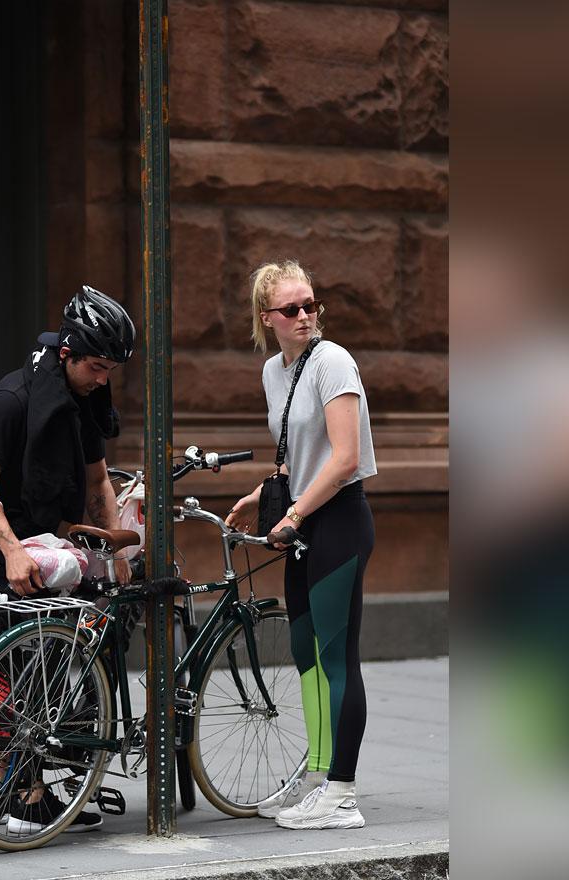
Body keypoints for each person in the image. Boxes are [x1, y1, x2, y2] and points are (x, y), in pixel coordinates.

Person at [0, 283, 136, 832]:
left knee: (50, 662)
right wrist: (10, 550)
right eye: (96, 366)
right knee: (15, 665)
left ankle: (19, 777)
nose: (103, 379)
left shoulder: (83, 401)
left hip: (47, 541)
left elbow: (99, 480)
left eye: (110, 370)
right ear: (66, 353)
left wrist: (114, 547)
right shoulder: (10, 401)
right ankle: (17, 792)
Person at [226, 260, 377, 830]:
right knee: (303, 649)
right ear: (267, 317)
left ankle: (342, 793)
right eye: (292, 309)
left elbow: (342, 460)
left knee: (337, 655)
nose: (306, 316)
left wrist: (293, 513)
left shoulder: (333, 361)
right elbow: (295, 455)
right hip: (302, 521)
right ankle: (316, 772)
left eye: (312, 304)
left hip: (337, 519)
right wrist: (260, 493)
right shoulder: (274, 371)